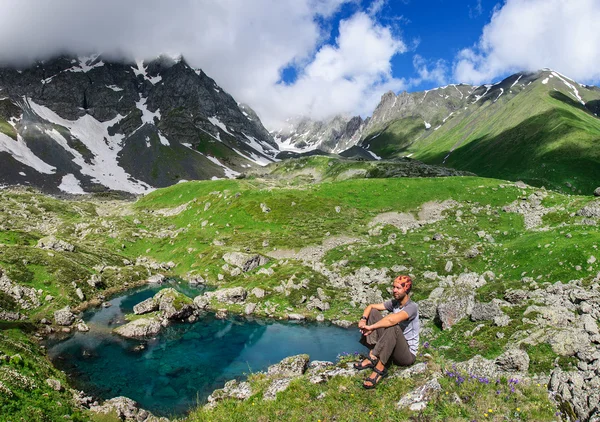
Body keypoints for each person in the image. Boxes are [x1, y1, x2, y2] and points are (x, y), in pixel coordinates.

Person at [354, 274, 420, 389]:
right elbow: (371, 307)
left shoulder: (412, 307)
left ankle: (379, 370)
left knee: (393, 327)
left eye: (398, 288)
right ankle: (373, 357)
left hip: (406, 354)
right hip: (393, 345)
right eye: (393, 287)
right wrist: (363, 320)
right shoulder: (395, 303)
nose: (394, 290)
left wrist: (372, 327)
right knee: (374, 312)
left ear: (406, 289)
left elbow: (391, 320)